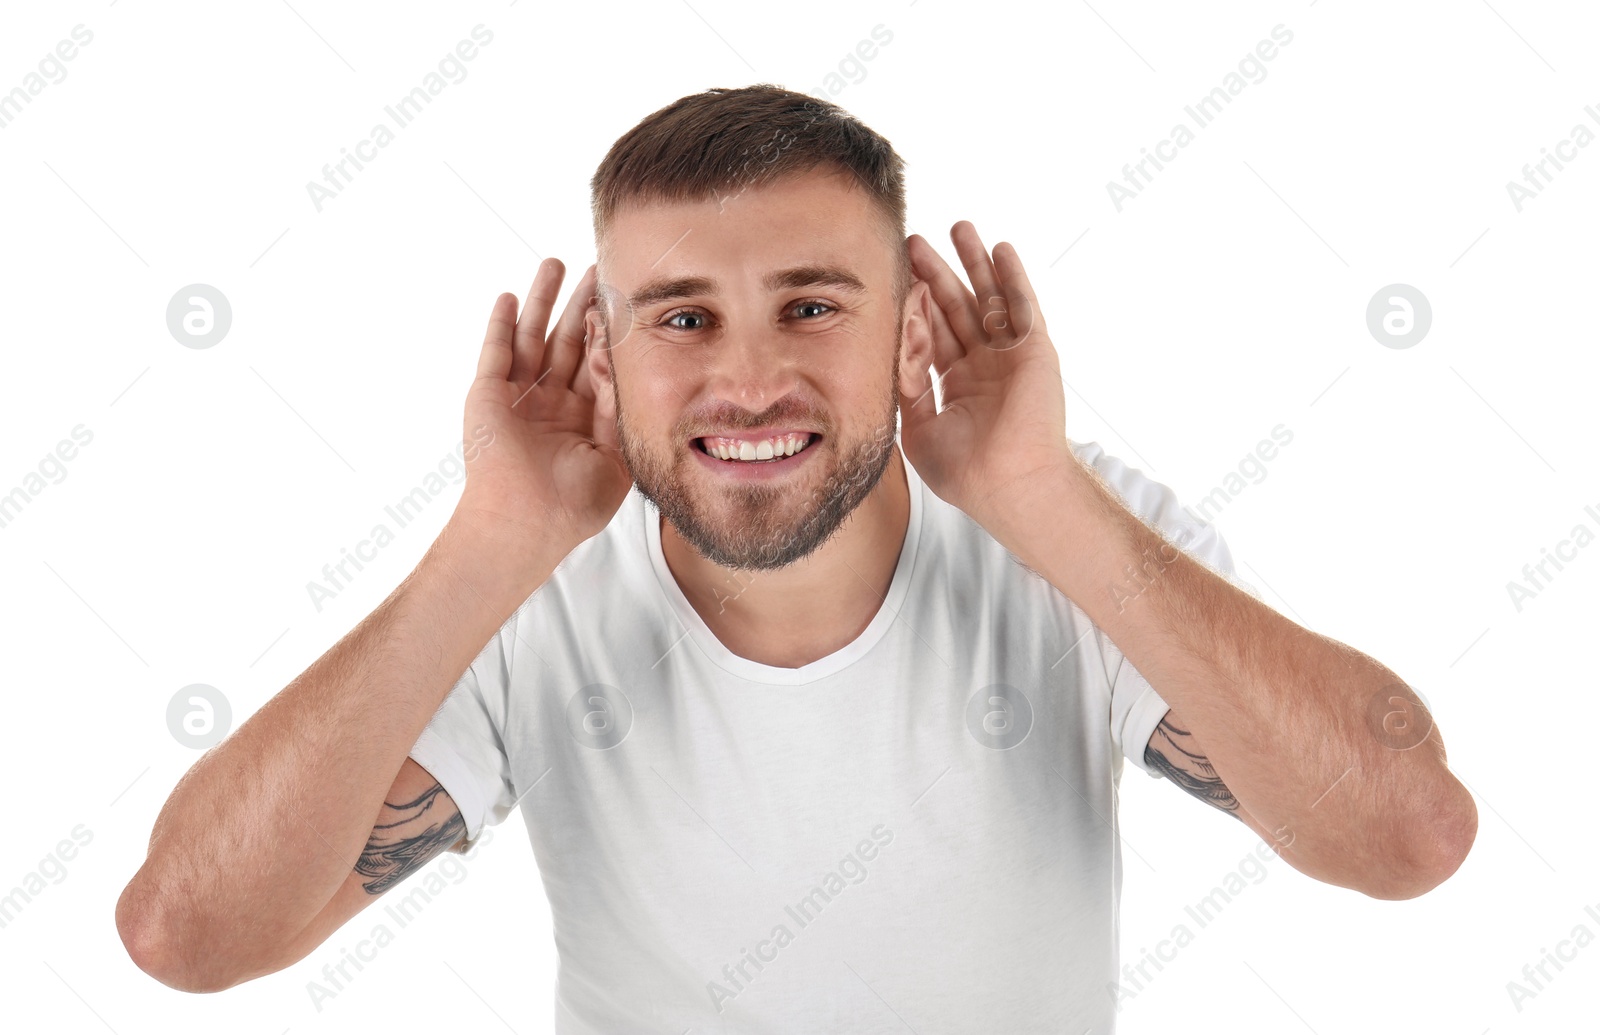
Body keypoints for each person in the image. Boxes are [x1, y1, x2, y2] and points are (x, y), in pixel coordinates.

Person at [115, 84, 1476, 1032]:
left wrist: (1038, 498)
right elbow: (188, 938)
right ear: (609, 353)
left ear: (910, 330)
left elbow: (1406, 837)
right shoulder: (528, 593)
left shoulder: (1072, 535)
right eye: (682, 317)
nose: (750, 378)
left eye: (813, 305)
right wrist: (491, 539)